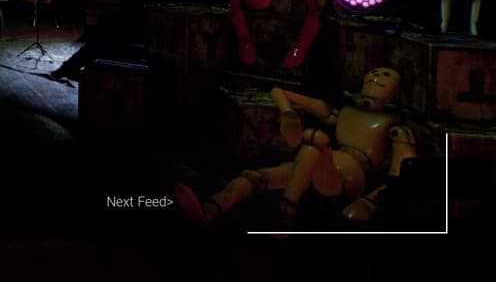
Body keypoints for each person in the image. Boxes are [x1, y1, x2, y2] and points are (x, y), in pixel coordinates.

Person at [174, 67, 417, 228]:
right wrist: (287, 113)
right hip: (314, 164)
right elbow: (279, 91)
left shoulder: (394, 127)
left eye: (384, 79)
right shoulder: (343, 112)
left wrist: (371, 201)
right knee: (254, 178)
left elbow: (401, 172)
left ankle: (285, 215)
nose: (376, 80)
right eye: (373, 77)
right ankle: (210, 211)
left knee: (312, 142)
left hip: (346, 179)